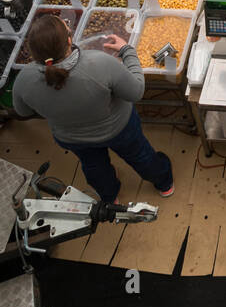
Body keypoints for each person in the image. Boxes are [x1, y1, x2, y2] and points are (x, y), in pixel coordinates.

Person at [13, 14, 173, 203]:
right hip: (119, 129)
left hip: (73, 138)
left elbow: (23, 112)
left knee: (94, 167)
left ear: (33, 52)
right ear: (69, 40)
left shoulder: (23, 80)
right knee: (141, 156)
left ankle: (109, 196)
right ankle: (164, 184)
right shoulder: (99, 63)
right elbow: (136, 91)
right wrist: (127, 51)